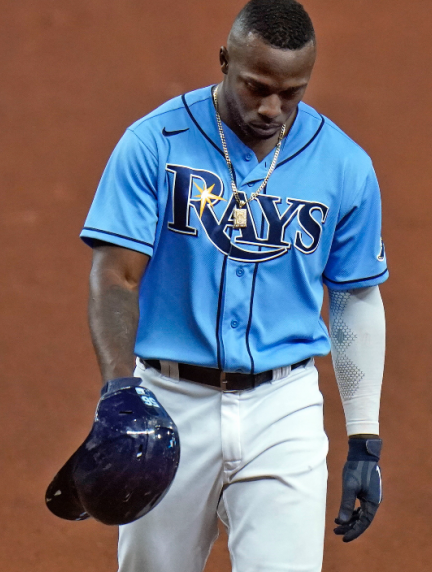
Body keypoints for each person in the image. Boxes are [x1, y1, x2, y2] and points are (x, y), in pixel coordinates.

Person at [78, 0, 388, 570]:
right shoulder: (154, 144)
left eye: (291, 93)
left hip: (283, 408)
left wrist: (364, 438)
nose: (272, 107)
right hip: (170, 405)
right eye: (256, 87)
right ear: (224, 61)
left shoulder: (344, 166)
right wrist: (121, 394)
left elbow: (354, 296)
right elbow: (116, 276)